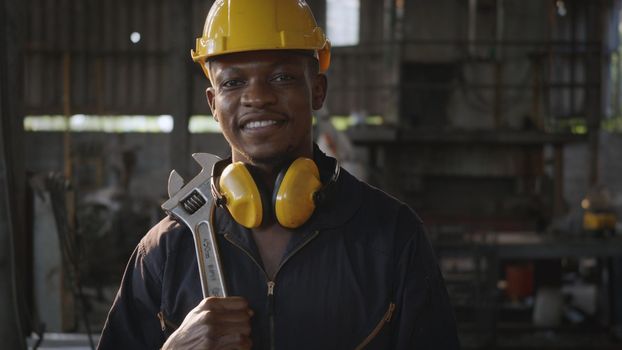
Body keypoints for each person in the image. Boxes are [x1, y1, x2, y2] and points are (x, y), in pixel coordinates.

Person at [98, 0, 460, 349]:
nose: (257, 97)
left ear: (317, 90)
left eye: (282, 77)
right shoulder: (164, 251)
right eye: (232, 83)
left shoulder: (393, 237)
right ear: (212, 103)